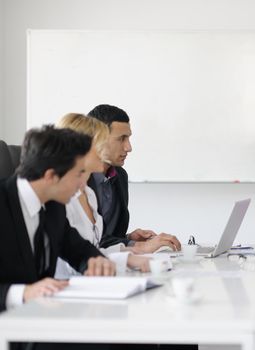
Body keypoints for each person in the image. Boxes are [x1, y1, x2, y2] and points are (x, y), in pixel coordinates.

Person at [0, 125, 115, 313]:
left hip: (42, 318)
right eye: (79, 174)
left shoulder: (54, 206)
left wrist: (94, 260)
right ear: (51, 176)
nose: (82, 184)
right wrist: (22, 293)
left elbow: (77, 248)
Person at [54, 113, 151, 278]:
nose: (103, 151)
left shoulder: (89, 194)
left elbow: (94, 249)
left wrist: (128, 254)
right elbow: (74, 260)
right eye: (99, 144)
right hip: (67, 288)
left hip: (89, 283)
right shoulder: (60, 197)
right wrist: (130, 253)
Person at [86, 104, 181, 253]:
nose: (129, 147)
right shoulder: (76, 180)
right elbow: (88, 241)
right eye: (121, 139)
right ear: (97, 139)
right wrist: (137, 246)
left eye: (128, 138)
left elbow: (106, 237)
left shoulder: (120, 176)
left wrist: (129, 238)